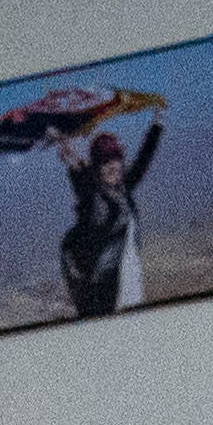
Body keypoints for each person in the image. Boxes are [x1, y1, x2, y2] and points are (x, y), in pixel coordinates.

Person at [59, 104, 161, 317]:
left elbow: (141, 163)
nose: (113, 166)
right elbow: (85, 189)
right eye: (106, 162)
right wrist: (72, 162)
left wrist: (156, 128)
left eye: (116, 159)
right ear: (97, 168)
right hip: (101, 287)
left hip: (121, 277)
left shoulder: (121, 189)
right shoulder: (96, 198)